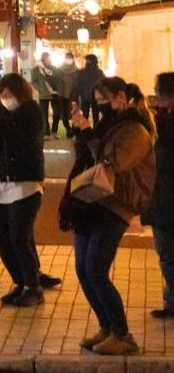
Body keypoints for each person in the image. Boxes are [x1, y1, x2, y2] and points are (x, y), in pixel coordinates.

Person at [61, 76, 156, 355]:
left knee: (95, 268)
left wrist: (90, 133)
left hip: (115, 204)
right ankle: (106, 327)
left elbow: (114, 162)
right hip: (89, 202)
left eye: (104, 99)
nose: (100, 105)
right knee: (82, 268)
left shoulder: (135, 130)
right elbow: (88, 157)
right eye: (97, 100)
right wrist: (82, 132)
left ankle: (122, 334)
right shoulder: (107, 125)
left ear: (120, 98)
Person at [0, 74, 48, 306]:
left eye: (9, 95)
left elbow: (27, 141)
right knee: (1, 237)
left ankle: (33, 287)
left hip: (24, 184)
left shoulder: (32, 112)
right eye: (2, 95)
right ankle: (19, 282)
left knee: (19, 238)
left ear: (20, 93)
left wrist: (1, 125)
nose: (5, 100)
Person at [144, 73, 174, 320]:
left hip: (166, 201)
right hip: (163, 199)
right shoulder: (162, 123)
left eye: (159, 94)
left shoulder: (165, 127)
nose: (154, 98)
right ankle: (170, 300)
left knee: (167, 255)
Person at [74, 53, 106, 129]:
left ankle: (84, 130)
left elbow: (78, 85)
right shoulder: (99, 72)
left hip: (85, 97)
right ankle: (96, 131)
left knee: (85, 115)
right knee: (96, 116)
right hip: (96, 97)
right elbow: (103, 84)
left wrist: (79, 94)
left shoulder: (81, 72)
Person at [28, 52, 54, 136]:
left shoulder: (53, 68)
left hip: (54, 93)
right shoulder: (36, 69)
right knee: (44, 114)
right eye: (48, 59)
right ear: (43, 59)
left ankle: (54, 130)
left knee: (56, 113)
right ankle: (46, 131)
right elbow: (33, 81)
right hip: (43, 94)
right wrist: (40, 89)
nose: (49, 60)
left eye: (49, 58)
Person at [56, 52, 79, 134]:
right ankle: (68, 129)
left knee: (74, 113)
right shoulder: (59, 69)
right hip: (62, 95)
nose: (69, 60)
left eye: (70, 58)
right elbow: (57, 82)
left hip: (73, 95)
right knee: (64, 114)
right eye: (67, 58)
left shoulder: (76, 70)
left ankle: (73, 129)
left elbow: (78, 83)